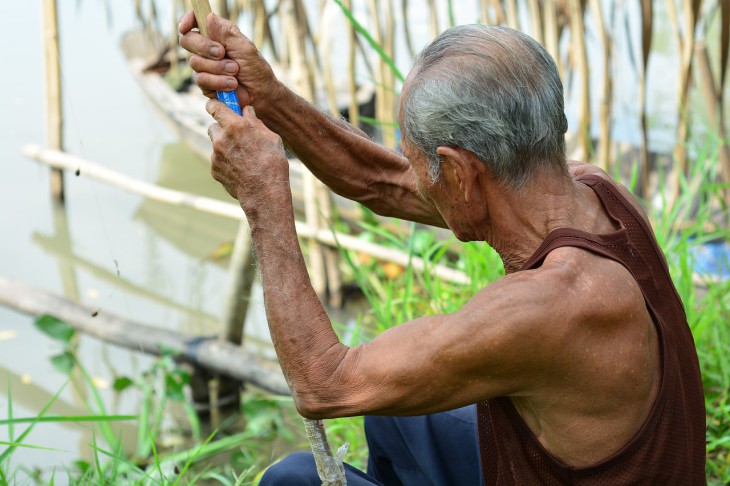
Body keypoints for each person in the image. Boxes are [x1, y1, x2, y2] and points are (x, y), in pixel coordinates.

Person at [179, 12, 706, 485]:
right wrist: (270, 98)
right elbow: (381, 181)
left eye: (423, 165)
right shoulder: (591, 189)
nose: (416, 179)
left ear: (459, 172)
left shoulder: (550, 308)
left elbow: (325, 386)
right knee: (394, 409)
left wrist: (265, 200)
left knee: (292, 479)